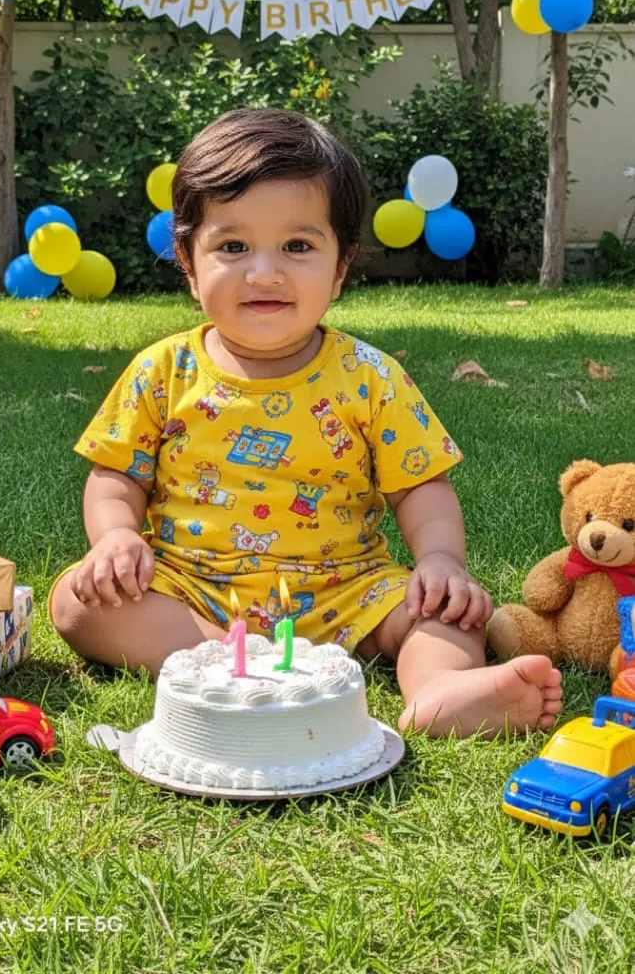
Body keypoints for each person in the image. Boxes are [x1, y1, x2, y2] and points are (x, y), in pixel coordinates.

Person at [50, 107, 562, 737]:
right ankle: (222, 662)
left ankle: (442, 690)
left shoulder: (370, 377)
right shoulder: (163, 370)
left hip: (347, 591)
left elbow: (420, 486)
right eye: (233, 247)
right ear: (188, 263)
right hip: (193, 591)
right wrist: (115, 539)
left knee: (449, 613)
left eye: (297, 246)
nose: (264, 272)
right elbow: (115, 476)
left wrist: (440, 561)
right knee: (78, 602)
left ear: (340, 267)